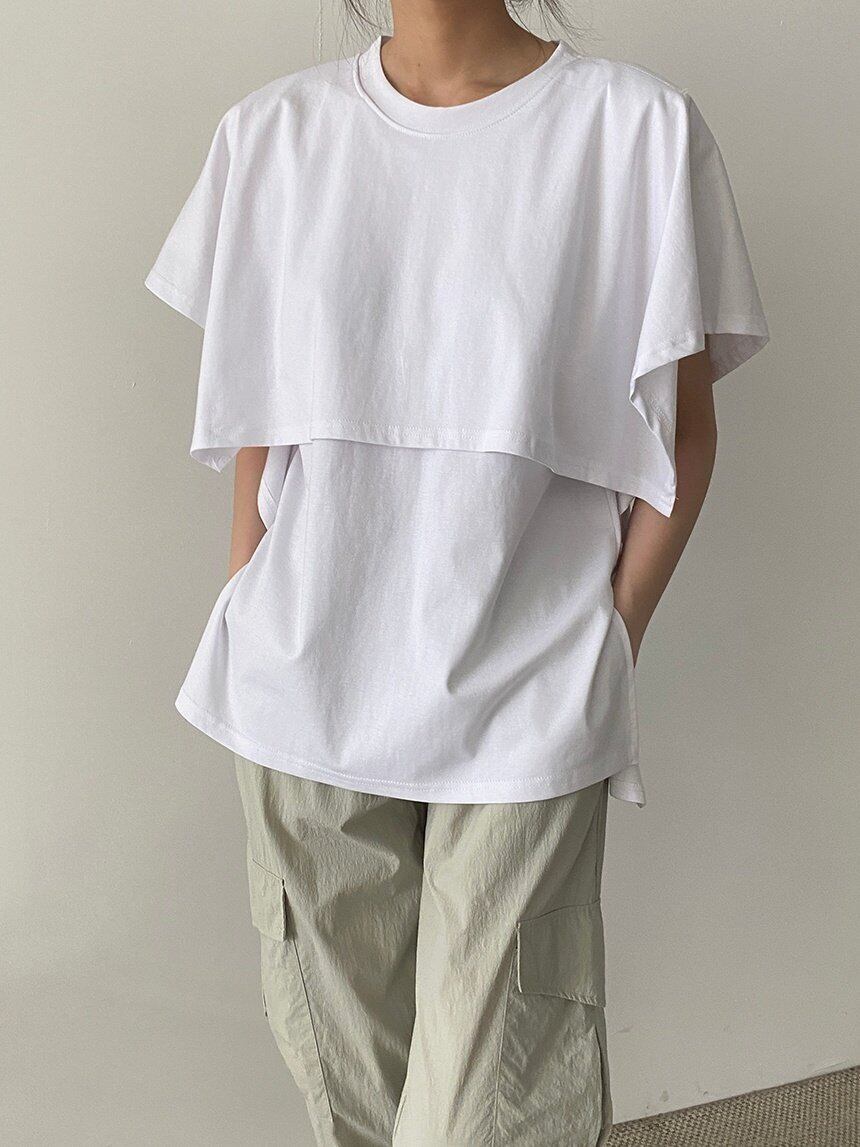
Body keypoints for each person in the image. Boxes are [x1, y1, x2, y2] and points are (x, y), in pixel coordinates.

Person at [144, 2, 769, 1143]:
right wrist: (246, 600)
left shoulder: (632, 131)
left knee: (492, 1116)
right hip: (297, 690)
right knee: (354, 1106)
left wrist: (610, 637)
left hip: (525, 689)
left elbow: (683, 433)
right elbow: (258, 423)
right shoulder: (273, 137)